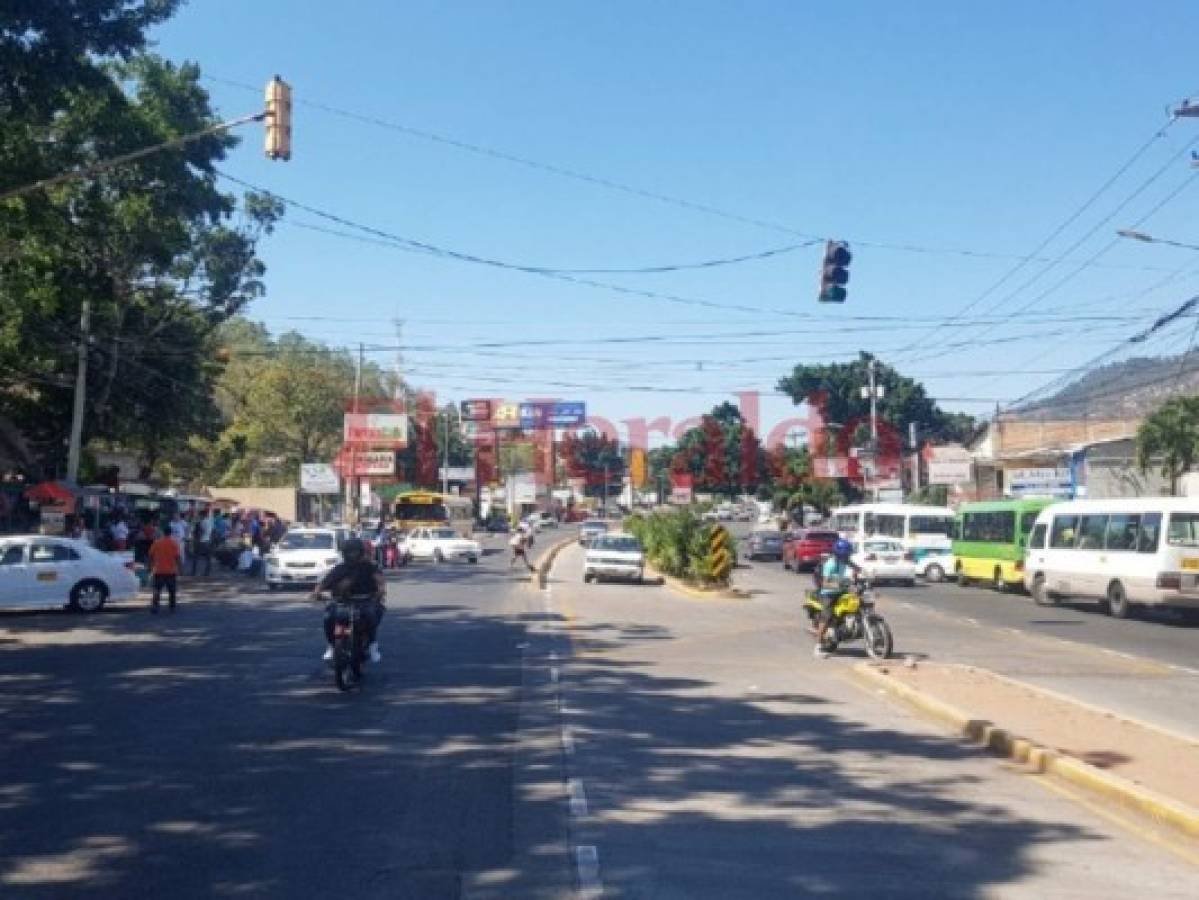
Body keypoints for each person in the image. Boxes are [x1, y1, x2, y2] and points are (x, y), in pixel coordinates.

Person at [311, 538, 385, 663]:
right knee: (328, 616)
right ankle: (332, 645)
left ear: (360, 552)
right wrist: (316, 592)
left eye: (355, 552)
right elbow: (325, 582)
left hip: (364, 601)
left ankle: (373, 646)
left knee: (371, 615)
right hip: (342, 602)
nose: (352, 554)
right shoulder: (339, 568)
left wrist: (380, 591)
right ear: (344, 553)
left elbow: (379, 580)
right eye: (349, 552)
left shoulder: (369, 567)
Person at [813, 538, 862, 659]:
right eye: (845, 554)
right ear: (838, 554)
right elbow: (825, 582)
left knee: (859, 601)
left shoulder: (844, 561)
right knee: (827, 616)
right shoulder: (830, 564)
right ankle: (818, 647)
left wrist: (860, 573)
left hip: (841, 590)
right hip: (828, 593)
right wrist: (843, 583)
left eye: (848, 554)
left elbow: (856, 568)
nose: (847, 556)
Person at [148, 529, 183, 613]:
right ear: (171, 533)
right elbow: (177, 557)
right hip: (171, 571)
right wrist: (180, 568)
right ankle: (172, 607)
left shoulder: (157, 543)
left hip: (159, 570)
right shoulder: (174, 543)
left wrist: (150, 566)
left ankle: (155, 606)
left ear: (163, 533)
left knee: (157, 589)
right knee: (172, 590)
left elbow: (150, 555)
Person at [191, 510, 214, 576]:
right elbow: (211, 531)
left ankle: (194, 572)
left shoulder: (202, 522)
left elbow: (200, 532)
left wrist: (196, 539)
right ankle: (207, 572)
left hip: (201, 541)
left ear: (202, 515)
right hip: (207, 541)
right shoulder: (210, 522)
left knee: (196, 557)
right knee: (208, 558)